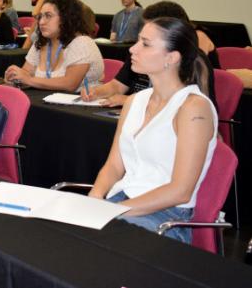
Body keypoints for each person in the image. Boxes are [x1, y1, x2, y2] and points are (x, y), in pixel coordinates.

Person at [89, 17, 217, 244]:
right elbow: (114, 166)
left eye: (145, 44)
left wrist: (113, 210)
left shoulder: (193, 107)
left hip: (166, 217)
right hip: (123, 202)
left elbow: (180, 191)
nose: (133, 49)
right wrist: (95, 198)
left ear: (171, 58)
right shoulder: (134, 102)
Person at [82, 1, 218, 107]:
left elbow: (176, 105)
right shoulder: (138, 55)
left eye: (146, 43)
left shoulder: (194, 62)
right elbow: (117, 86)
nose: (132, 49)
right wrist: (96, 92)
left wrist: (130, 100)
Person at [4, 0, 103, 92]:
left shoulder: (82, 43)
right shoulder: (41, 42)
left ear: (65, 18)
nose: (41, 22)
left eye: (48, 16)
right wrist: (15, 77)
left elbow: (70, 84)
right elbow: (26, 73)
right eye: (40, 16)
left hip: (81, 104)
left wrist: (29, 79)